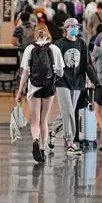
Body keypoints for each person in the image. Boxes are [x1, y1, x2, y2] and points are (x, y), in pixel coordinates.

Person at [48, 18, 99, 155]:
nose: (75, 28)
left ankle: (52, 132)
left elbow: (87, 64)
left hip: (77, 82)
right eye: (71, 26)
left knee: (67, 112)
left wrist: (95, 80)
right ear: (66, 29)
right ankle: (70, 143)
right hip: (62, 82)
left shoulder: (82, 44)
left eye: (76, 26)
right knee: (69, 112)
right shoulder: (59, 45)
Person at [15, 24, 64, 162]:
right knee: (44, 120)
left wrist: (19, 91)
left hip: (34, 87)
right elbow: (61, 72)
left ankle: (35, 140)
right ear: (48, 34)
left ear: (35, 34)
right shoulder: (54, 49)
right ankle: (42, 149)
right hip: (49, 87)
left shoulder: (29, 49)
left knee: (35, 120)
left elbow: (24, 73)